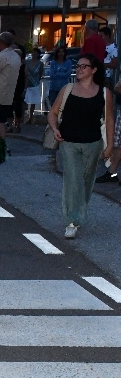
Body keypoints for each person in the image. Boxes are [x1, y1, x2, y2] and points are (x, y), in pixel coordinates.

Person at [47, 53, 114, 239]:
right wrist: (55, 128)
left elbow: (109, 121)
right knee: (73, 179)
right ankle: (72, 220)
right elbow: (52, 113)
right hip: (68, 142)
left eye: (84, 66)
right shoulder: (67, 89)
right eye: (78, 66)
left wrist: (109, 147)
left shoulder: (104, 93)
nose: (79, 69)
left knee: (85, 181)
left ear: (93, 70)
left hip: (93, 143)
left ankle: (78, 213)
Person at [24, 48, 43, 125]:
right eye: (33, 52)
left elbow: (40, 73)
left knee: (33, 102)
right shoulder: (27, 62)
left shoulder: (40, 63)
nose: (33, 54)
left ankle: (30, 118)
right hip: (27, 83)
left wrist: (37, 80)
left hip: (35, 83)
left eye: (35, 53)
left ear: (38, 54)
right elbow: (25, 72)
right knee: (25, 100)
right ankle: (21, 117)